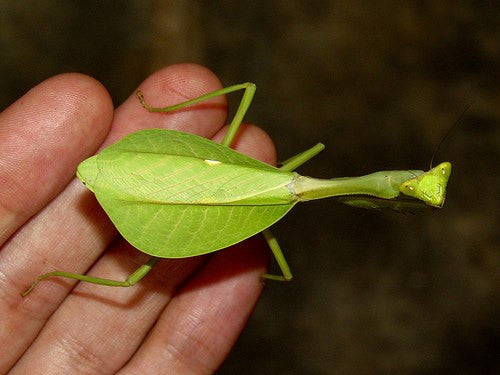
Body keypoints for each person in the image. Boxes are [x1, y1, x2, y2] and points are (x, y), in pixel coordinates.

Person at [0, 64, 276, 373]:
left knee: (133, 280)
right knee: (134, 280)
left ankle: (49, 275)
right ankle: (48, 275)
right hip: (149, 174)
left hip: (164, 186)